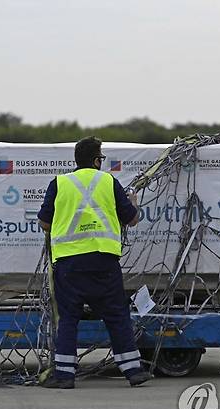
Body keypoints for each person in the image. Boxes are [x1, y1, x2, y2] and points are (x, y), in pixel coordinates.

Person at [37, 136, 151, 389]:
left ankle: (65, 376)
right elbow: (131, 219)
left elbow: (44, 223)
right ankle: (133, 371)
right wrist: (133, 202)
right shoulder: (109, 182)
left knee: (68, 318)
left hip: (69, 263)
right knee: (116, 315)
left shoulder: (59, 183)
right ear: (97, 160)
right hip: (103, 260)